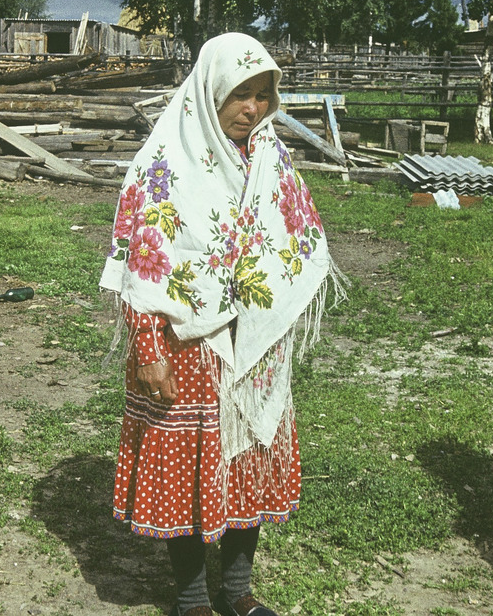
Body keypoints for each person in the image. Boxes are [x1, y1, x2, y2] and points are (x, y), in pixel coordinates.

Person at [100, 32, 347, 616]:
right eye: (240, 94)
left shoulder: (270, 158)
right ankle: (190, 598)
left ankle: (237, 592)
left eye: (264, 95)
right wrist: (148, 347)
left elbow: (295, 236)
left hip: (253, 346)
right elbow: (141, 263)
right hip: (187, 343)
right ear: (209, 91)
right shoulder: (163, 163)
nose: (252, 109)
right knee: (185, 470)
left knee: (247, 463)